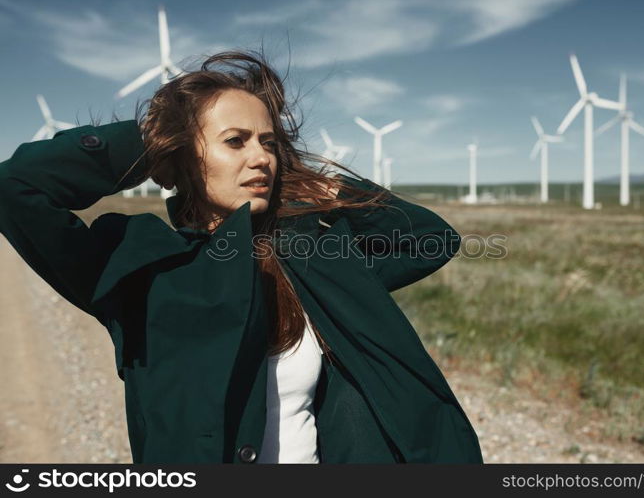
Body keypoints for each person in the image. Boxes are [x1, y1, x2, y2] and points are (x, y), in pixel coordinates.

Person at [0, 49, 483, 464]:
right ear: (183, 153)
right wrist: (149, 142)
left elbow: (429, 239)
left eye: (270, 144)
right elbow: (14, 187)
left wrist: (323, 185)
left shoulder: (310, 262)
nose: (262, 158)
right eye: (236, 141)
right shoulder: (142, 270)